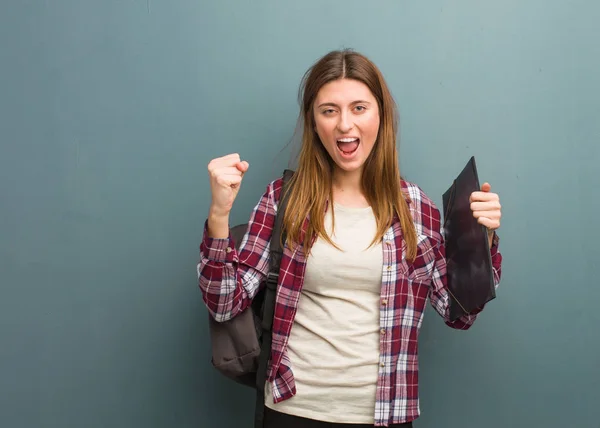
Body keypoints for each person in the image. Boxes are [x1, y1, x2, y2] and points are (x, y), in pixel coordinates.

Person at [197, 49, 503, 428]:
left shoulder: (414, 208)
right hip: (293, 410)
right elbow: (225, 303)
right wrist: (219, 217)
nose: (345, 124)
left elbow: (459, 313)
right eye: (329, 110)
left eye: (359, 107)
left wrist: (482, 241)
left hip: (386, 413)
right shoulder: (284, 199)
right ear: (313, 122)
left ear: (381, 116)